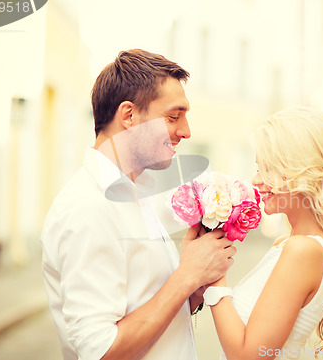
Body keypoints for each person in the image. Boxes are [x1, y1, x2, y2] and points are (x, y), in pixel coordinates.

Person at [41, 49, 236, 360]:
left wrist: (194, 284)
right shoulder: (88, 208)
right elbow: (100, 350)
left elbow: (147, 306)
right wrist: (186, 275)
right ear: (129, 115)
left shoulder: (135, 193)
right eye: (173, 116)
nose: (186, 131)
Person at [203, 107, 323, 360]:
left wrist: (214, 274)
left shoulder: (304, 251)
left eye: (267, 169)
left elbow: (248, 357)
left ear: (303, 170)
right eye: (258, 168)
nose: (256, 180)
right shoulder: (289, 244)